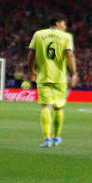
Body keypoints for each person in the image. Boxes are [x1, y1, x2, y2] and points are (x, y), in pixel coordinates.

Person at [27, 17, 76, 148]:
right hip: (60, 78)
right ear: (57, 23)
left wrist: (31, 70)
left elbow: (31, 54)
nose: (65, 26)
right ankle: (56, 138)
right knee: (58, 107)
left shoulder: (38, 34)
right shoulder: (66, 37)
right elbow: (69, 55)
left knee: (45, 106)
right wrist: (74, 73)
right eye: (64, 23)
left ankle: (47, 139)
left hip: (43, 76)